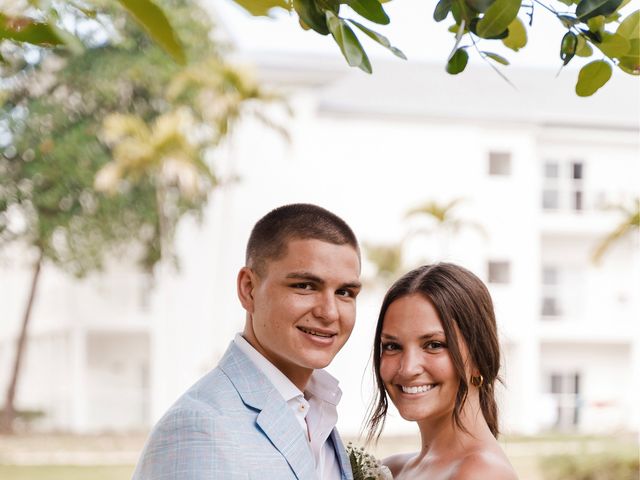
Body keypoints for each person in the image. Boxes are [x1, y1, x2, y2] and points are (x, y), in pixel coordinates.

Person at [133, 203, 362, 480]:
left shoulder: (317, 414)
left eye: (345, 292)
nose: (329, 312)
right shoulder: (198, 427)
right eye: (305, 286)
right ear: (248, 289)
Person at [366, 263, 518, 480]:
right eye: (392, 346)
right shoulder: (392, 469)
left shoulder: (482, 473)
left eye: (434, 345)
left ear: (479, 356)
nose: (408, 368)